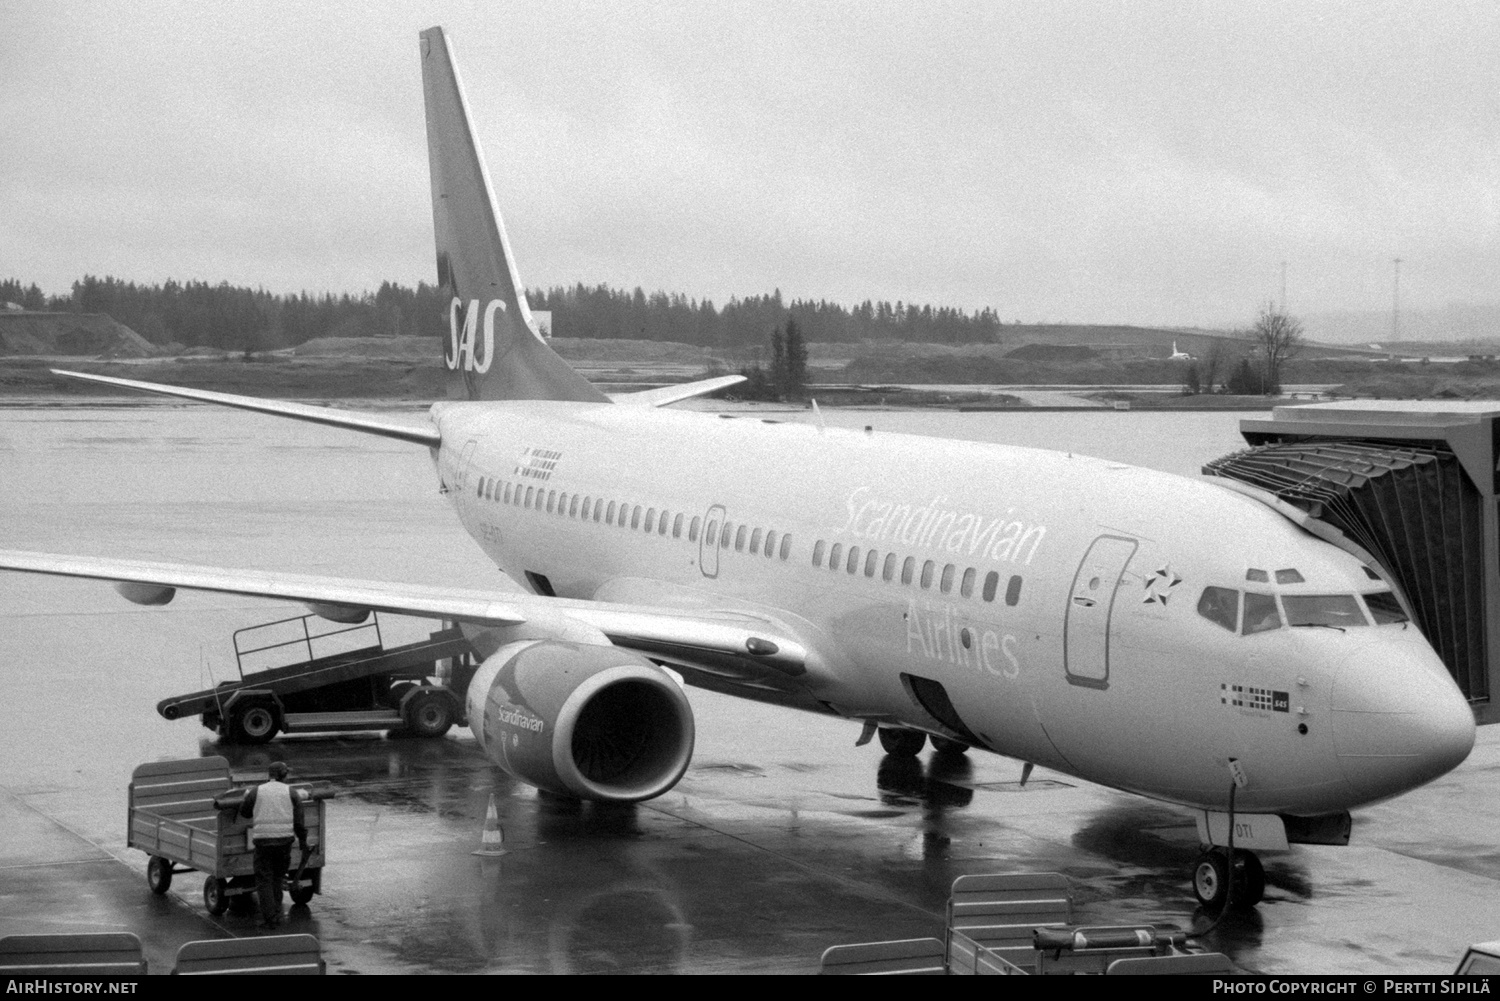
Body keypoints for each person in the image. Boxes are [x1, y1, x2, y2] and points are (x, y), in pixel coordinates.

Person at [238, 761, 308, 928]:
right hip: (284, 843)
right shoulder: (291, 793)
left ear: (269, 776)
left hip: (263, 843)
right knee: (277, 878)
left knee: (264, 880)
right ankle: (276, 913)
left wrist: (247, 798)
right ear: (284, 775)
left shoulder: (257, 791)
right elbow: (299, 823)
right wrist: (303, 842)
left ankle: (270, 918)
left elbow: (245, 812)